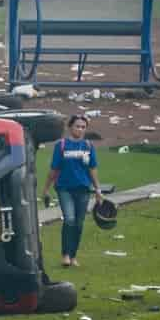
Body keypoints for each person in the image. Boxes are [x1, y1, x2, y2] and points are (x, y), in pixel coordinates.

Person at [41, 114, 103, 267]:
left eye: (83, 127)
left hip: (83, 189)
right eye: (77, 126)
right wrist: (46, 189)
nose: (80, 129)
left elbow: (92, 168)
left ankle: (73, 256)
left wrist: (98, 189)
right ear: (70, 127)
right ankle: (66, 255)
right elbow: (54, 169)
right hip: (64, 189)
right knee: (69, 219)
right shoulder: (61, 145)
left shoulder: (88, 146)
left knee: (79, 223)